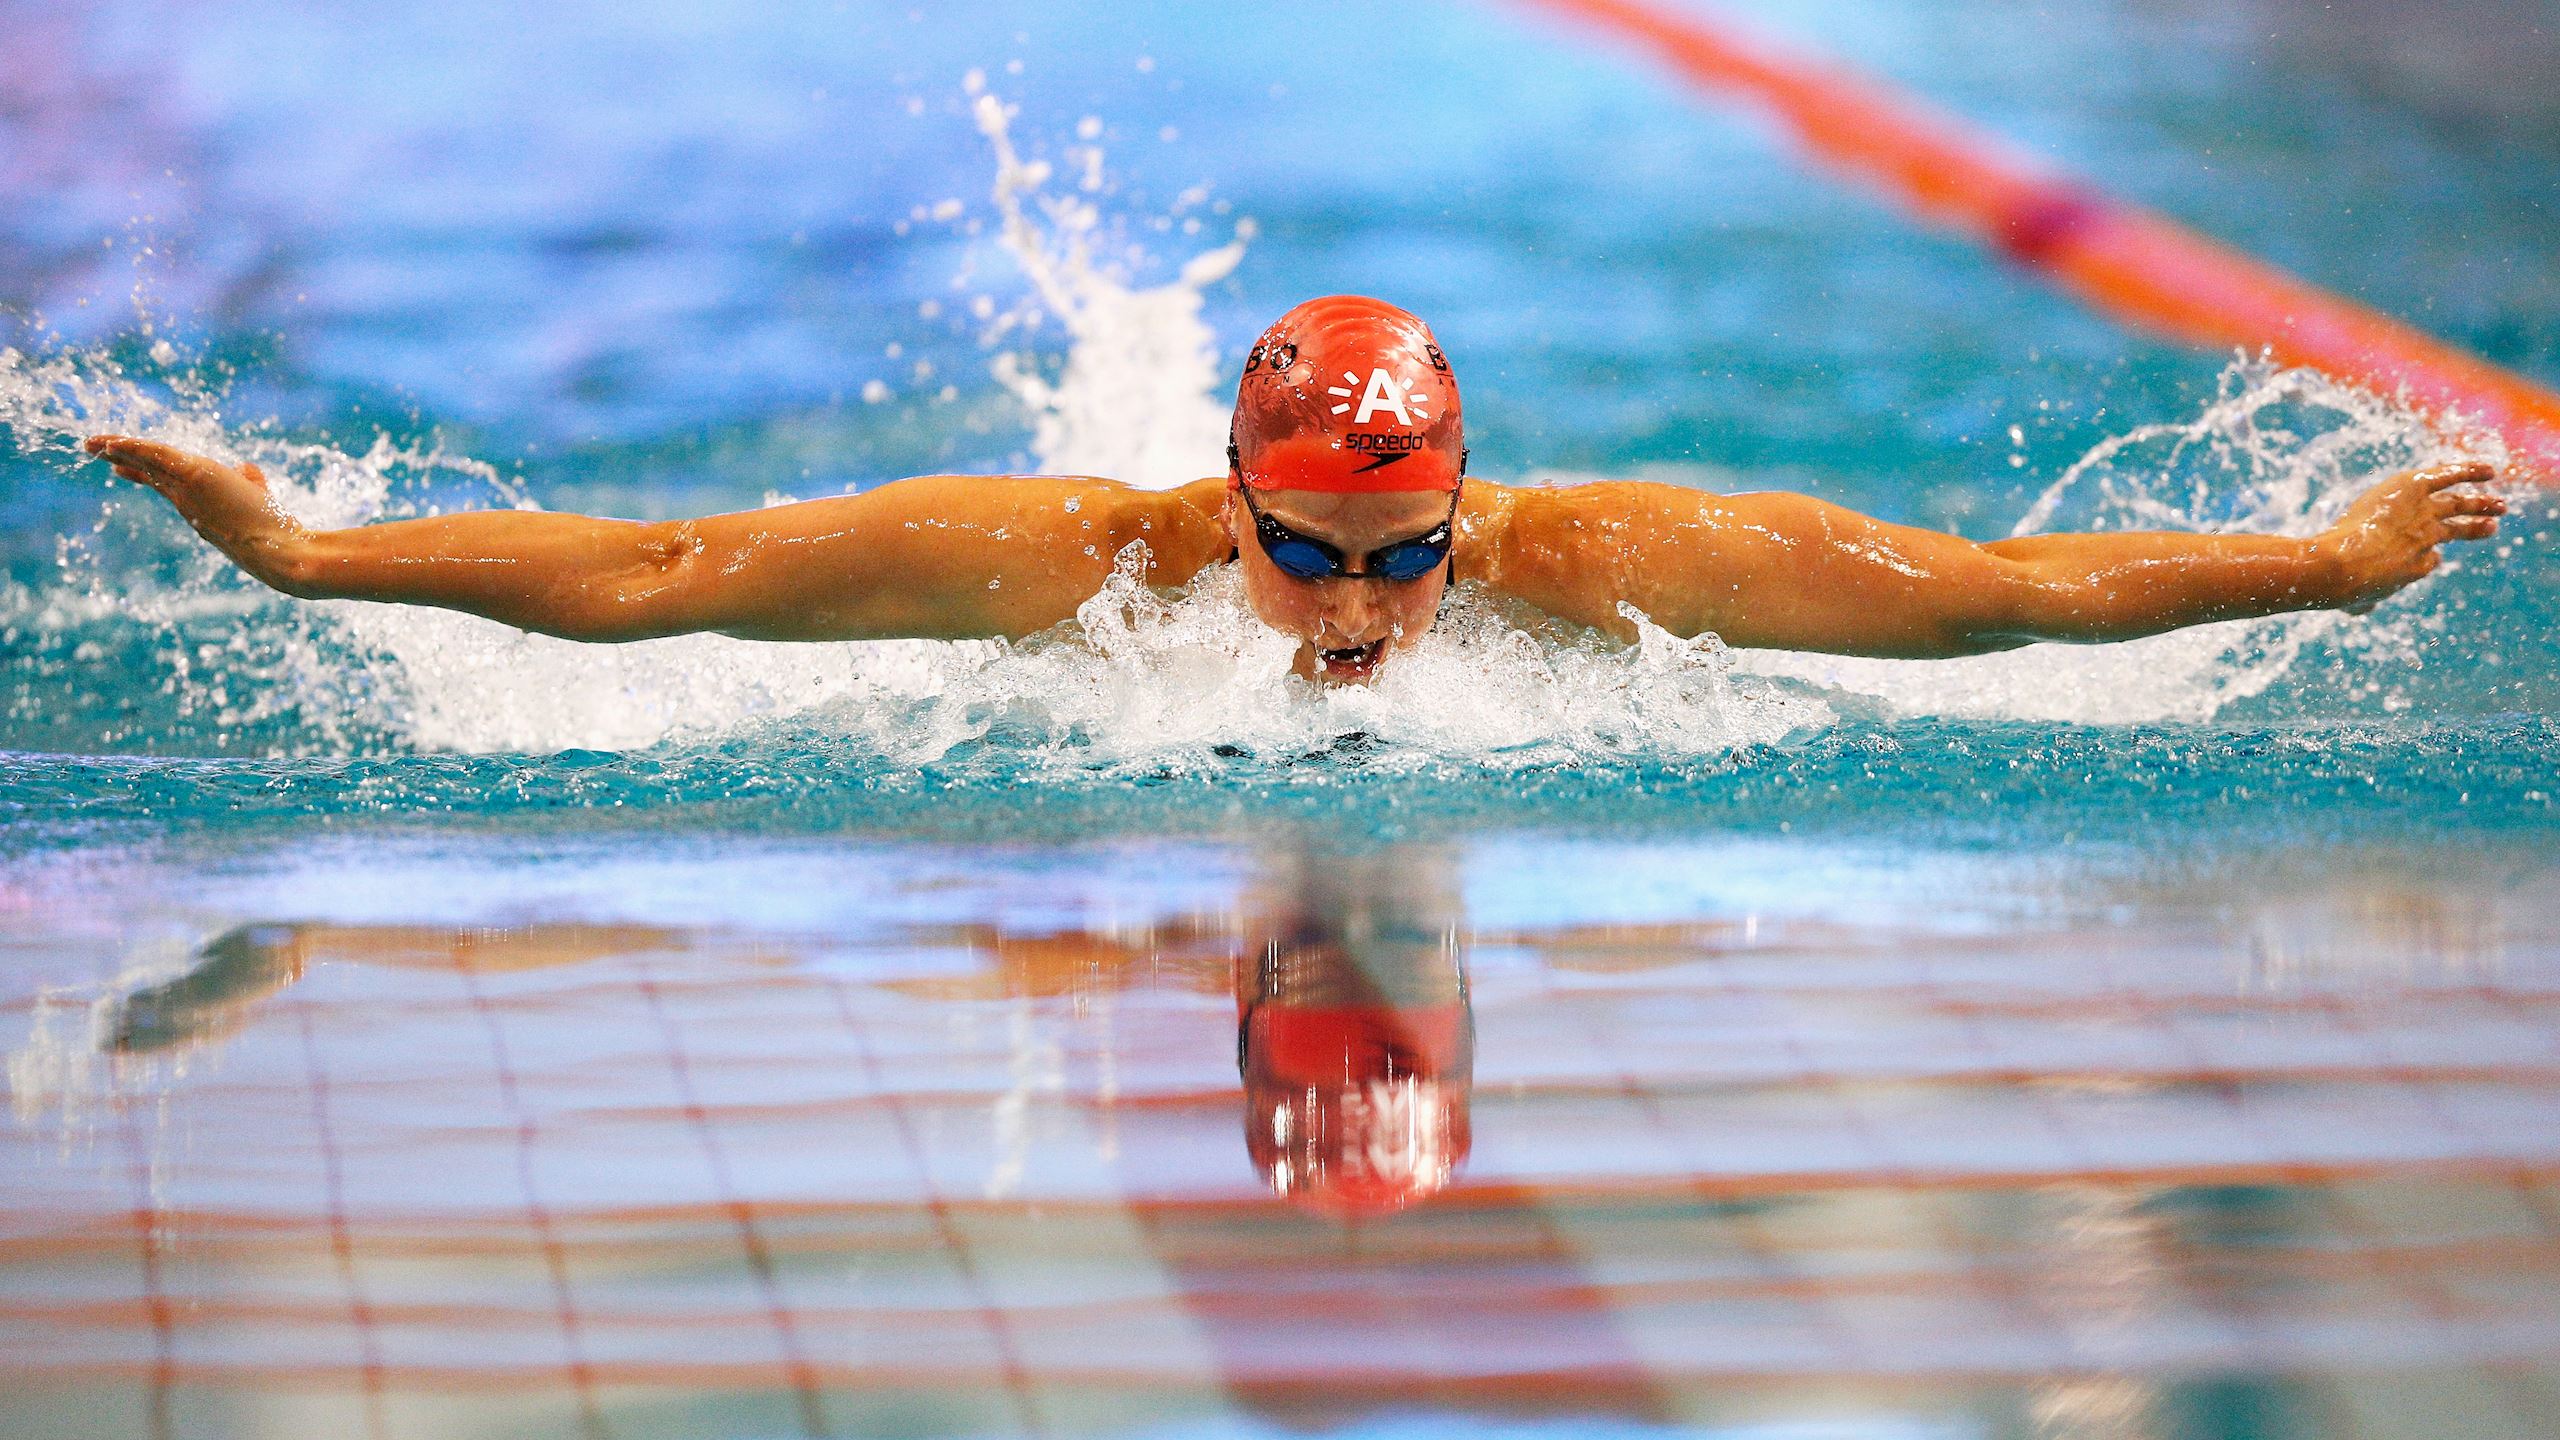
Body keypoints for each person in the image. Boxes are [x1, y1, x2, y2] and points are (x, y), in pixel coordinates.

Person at [86, 295, 2508, 685]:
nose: (1358, 613)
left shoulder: (1607, 569)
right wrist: (303, 552)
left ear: (1474, 507)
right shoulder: (1074, 565)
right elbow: (665, 570)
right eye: (1307, 556)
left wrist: (2322, 562)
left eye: (1408, 558)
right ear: (1219, 500)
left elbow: (2003, 596)